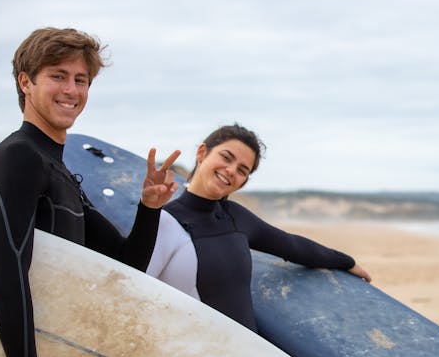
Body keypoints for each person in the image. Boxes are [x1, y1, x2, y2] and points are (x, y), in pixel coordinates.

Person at [0, 27, 180, 357]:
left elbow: (125, 264)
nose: (71, 90)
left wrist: (148, 207)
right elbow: (9, 275)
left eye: (82, 80)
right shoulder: (17, 157)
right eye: (58, 75)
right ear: (25, 81)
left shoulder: (58, 170)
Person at [146, 123, 370, 332]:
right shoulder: (164, 222)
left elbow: (292, 245)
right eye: (226, 157)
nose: (231, 170)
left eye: (242, 170)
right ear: (202, 152)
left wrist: (346, 262)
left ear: (243, 182)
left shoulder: (236, 217)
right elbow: (133, 291)